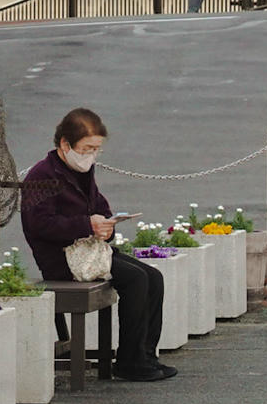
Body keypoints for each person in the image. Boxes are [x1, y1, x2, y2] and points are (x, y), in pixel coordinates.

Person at [20, 107, 175, 382]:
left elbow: (99, 207)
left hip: (90, 251)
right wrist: (87, 224)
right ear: (65, 144)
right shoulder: (42, 175)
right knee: (136, 279)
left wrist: (107, 226)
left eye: (96, 150)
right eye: (87, 148)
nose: (91, 156)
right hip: (63, 259)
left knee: (154, 276)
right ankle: (129, 362)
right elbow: (38, 225)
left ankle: (146, 355)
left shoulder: (82, 170)